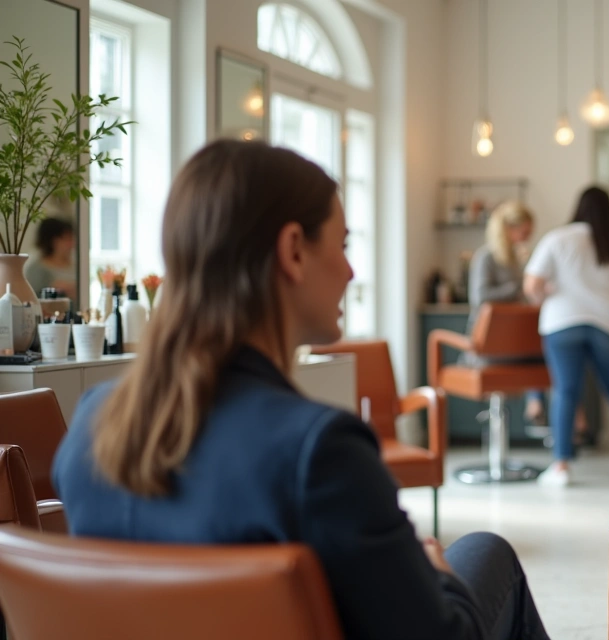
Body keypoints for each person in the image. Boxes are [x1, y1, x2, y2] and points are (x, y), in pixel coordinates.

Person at [52, 141, 550, 640]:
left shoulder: (91, 425)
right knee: (489, 553)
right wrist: (439, 576)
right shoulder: (319, 451)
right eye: (343, 246)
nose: (351, 272)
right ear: (293, 251)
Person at [523, 186, 609, 487]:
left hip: (563, 321)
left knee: (566, 391)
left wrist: (547, 293)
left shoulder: (557, 238)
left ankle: (562, 466)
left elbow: (531, 286)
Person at [467, 200, 545, 426]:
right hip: (489, 345)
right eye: (524, 232)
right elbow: (480, 297)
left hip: (514, 342)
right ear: (508, 228)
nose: (527, 238)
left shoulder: (519, 260)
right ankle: (536, 403)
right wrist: (518, 288)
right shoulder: (486, 257)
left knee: (552, 353)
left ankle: (537, 404)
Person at [23, 217, 77, 301]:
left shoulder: (76, 265)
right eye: (67, 239)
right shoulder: (36, 269)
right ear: (53, 241)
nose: (72, 243)